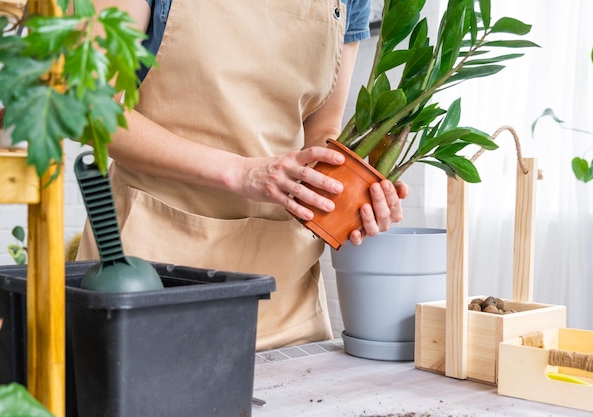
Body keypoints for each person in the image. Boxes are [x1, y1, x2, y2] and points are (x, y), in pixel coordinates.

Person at [76, 0, 409, 351]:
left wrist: (351, 192)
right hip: (148, 280)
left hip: (283, 293)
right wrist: (239, 173)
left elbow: (322, 126)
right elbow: (87, 107)